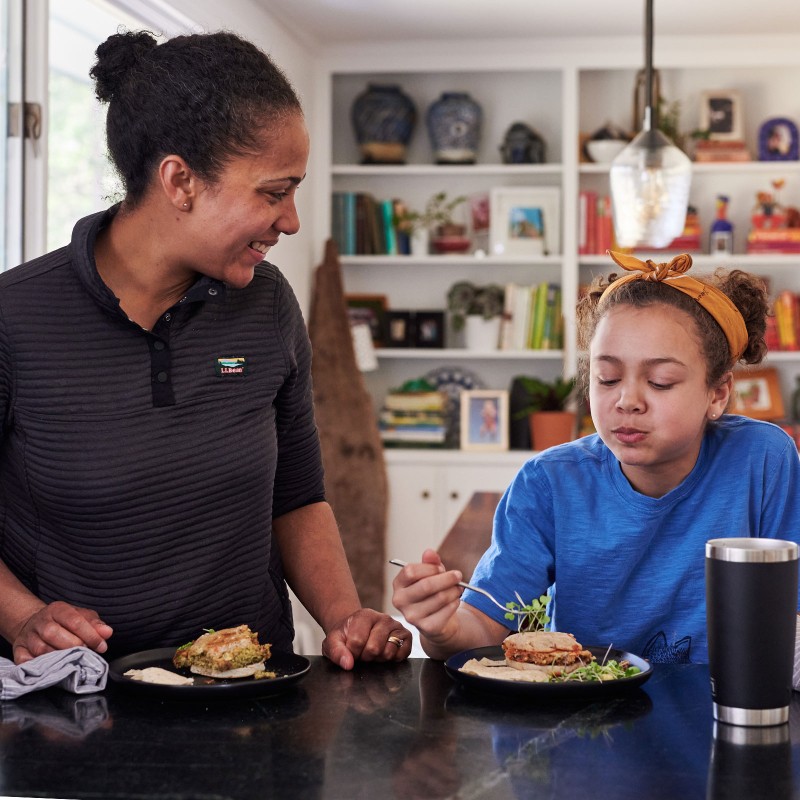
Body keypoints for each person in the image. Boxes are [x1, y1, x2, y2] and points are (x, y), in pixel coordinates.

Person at [0, 29, 410, 669]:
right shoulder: (15, 316)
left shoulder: (267, 304)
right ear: (180, 181)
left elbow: (297, 497)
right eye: (274, 192)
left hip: (253, 696)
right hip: (71, 707)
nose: (292, 219)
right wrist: (24, 616)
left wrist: (343, 618)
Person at [393, 251, 800, 664]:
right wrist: (441, 628)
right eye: (607, 378)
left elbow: (792, 618)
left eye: (660, 382)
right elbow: (482, 625)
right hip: (585, 715)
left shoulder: (763, 458)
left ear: (718, 393)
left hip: (723, 709)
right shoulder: (549, 481)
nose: (627, 401)